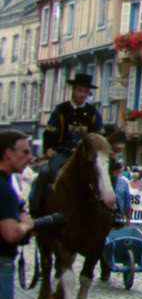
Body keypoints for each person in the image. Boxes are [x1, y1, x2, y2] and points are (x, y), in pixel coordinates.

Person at [28, 73, 103, 217]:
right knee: (46, 173)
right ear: (73, 90)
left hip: (84, 155)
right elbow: (49, 133)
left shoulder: (93, 113)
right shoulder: (61, 110)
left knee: (102, 176)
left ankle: (111, 211)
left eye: (86, 92)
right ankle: (36, 209)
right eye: (80, 90)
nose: (82, 95)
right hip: (63, 152)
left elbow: (99, 136)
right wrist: (49, 149)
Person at [0, 130, 34, 299]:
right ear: (8, 154)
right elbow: (10, 233)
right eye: (25, 152)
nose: (30, 157)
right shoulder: (4, 189)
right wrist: (27, 225)